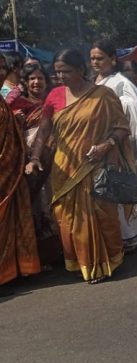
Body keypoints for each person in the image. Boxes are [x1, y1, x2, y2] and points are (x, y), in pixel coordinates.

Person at [25, 49, 131, 284]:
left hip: (96, 165)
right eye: (57, 72)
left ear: (81, 70)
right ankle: (79, 262)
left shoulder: (103, 95)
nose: (60, 76)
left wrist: (106, 145)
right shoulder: (54, 96)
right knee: (68, 218)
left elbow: (122, 127)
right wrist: (34, 158)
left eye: (66, 72)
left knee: (102, 214)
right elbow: (44, 130)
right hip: (64, 168)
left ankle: (108, 261)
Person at [91, 39, 137, 251]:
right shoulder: (95, 82)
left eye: (100, 58)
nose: (95, 62)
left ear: (112, 59)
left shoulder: (122, 83)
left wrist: (113, 111)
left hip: (121, 147)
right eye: (92, 58)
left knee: (121, 191)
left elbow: (134, 113)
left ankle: (130, 239)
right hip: (98, 146)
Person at [11, 64, 59, 265]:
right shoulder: (17, 104)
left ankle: (60, 251)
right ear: (25, 83)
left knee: (53, 202)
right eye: (32, 79)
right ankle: (41, 256)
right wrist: (17, 121)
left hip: (55, 161)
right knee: (36, 205)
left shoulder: (54, 102)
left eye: (40, 78)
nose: (36, 82)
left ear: (47, 81)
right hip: (31, 162)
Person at [0, 82, 40, 288]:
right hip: (5, 171)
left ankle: (17, 270)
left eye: (2, 68)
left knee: (15, 221)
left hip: (12, 173)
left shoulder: (3, 103)